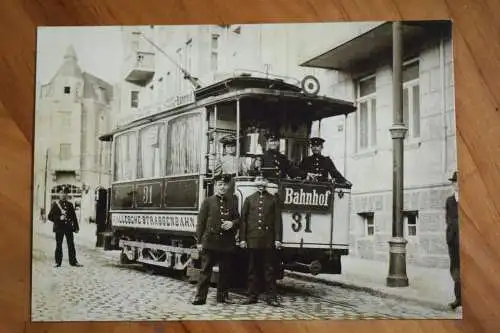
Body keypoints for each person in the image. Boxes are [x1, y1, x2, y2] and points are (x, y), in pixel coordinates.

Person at [192, 174, 240, 305]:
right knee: (205, 271)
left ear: (228, 186)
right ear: (215, 186)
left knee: (225, 272)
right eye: (220, 184)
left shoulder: (232, 201)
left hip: (226, 242)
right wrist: (199, 242)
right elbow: (201, 222)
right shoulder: (208, 201)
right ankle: (200, 297)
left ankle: (223, 296)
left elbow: (238, 219)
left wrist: (232, 223)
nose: (222, 187)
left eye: (225, 185)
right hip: (210, 242)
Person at [239, 176, 282, 306]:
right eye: (259, 184)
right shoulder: (249, 199)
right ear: (256, 185)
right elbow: (243, 221)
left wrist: (278, 239)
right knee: (252, 269)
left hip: (267, 241)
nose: (261, 186)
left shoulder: (273, 200)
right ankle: (252, 296)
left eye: (263, 183)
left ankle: (271, 297)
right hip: (252, 240)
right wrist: (242, 239)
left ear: (266, 184)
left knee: (269, 270)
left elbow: (277, 221)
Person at [47, 186, 83, 268]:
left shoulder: (70, 205)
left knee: (71, 244)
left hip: (68, 228)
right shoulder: (55, 205)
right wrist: (59, 218)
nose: (63, 195)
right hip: (59, 228)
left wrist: (76, 227)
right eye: (62, 193)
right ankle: (57, 262)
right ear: (59, 194)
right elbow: (49, 216)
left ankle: (73, 262)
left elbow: (74, 217)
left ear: (67, 195)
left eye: (65, 193)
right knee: (58, 245)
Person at [445, 171, 461, 310]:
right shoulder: (449, 200)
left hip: (465, 240)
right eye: (454, 182)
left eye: (459, 182)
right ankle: (458, 299)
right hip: (453, 240)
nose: (456, 185)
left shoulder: (469, 199)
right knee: (455, 270)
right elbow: (448, 218)